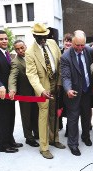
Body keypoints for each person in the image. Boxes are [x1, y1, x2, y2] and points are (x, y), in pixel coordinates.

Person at [26, 23, 66, 159]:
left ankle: (54, 139)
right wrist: (41, 90)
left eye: (45, 36)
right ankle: (44, 147)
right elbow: (31, 74)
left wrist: (60, 82)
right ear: (34, 36)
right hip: (42, 86)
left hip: (55, 83)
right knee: (44, 116)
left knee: (54, 114)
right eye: (40, 37)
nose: (43, 39)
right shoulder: (30, 52)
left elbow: (60, 63)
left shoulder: (53, 43)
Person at [0, 30, 23, 153]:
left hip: (9, 94)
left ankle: (10, 140)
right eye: (1, 39)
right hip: (0, 94)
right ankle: (3, 145)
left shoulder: (5, 53)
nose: (4, 41)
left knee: (11, 117)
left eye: (6, 39)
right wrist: (0, 86)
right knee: (3, 119)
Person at [60, 30, 93, 156]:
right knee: (73, 119)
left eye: (82, 45)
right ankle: (73, 144)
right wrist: (68, 89)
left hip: (86, 90)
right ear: (72, 42)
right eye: (77, 45)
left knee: (86, 116)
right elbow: (65, 77)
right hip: (73, 92)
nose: (80, 48)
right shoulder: (65, 57)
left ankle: (86, 136)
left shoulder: (89, 51)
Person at [8, 40, 39, 147]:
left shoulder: (33, 55)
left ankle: (37, 133)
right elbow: (13, 76)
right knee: (26, 117)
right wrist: (12, 89)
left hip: (36, 92)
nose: (20, 50)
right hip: (25, 94)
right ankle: (29, 138)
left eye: (22, 47)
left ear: (26, 46)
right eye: (17, 49)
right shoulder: (15, 62)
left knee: (36, 114)